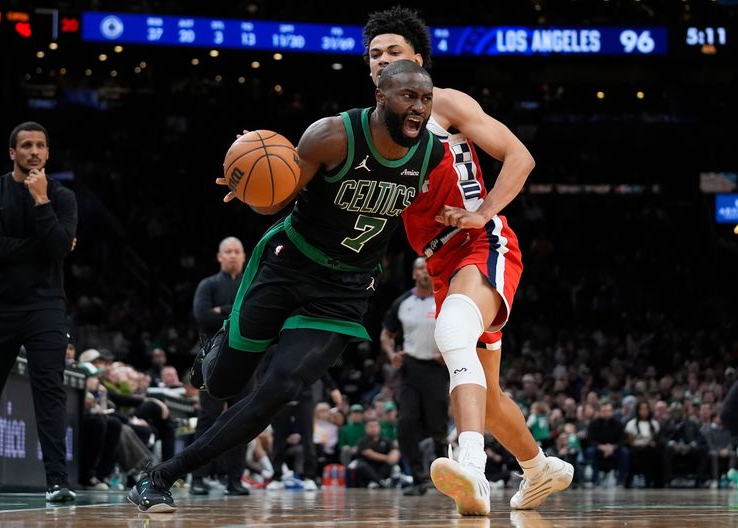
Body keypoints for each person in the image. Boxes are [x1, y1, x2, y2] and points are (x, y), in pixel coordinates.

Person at [127, 60, 449, 513]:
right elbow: (277, 198)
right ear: (380, 96)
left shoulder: (432, 154)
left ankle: (161, 476)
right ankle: (214, 351)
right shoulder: (331, 136)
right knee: (221, 386)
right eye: (408, 97)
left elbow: (432, 207)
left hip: (344, 290)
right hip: (287, 265)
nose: (419, 107)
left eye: (425, 99)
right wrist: (251, 186)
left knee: (281, 386)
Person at [362, 7, 573, 516]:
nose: (382, 60)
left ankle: (472, 468)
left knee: (453, 331)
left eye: (394, 51)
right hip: (437, 262)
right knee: (488, 394)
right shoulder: (366, 130)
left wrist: (484, 212)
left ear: (417, 60)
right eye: (374, 54)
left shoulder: (446, 104)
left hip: (482, 244)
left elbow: (520, 157)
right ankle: (539, 468)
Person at [0, 121, 78, 502]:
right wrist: (47, 245)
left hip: (46, 305)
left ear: (48, 153)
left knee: (50, 391)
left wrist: (42, 201)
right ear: (12, 153)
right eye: (26, 145)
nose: (34, 151)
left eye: (41, 146)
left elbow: (58, 250)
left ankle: (57, 482)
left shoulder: (61, 197)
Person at [188, 236, 251, 496]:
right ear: (219, 256)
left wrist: (222, 311)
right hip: (213, 358)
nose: (233, 255)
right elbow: (202, 316)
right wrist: (236, 312)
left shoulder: (252, 284)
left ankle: (235, 479)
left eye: (237, 251)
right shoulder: (208, 284)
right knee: (208, 420)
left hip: (247, 361)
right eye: (228, 251)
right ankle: (198, 478)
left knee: (243, 420)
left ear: (245, 256)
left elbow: (257, 315)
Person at [380, 256, 448, 496]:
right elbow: (386, 334)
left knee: (437, 427)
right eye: (420, 267)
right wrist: (391, 354)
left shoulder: (445, 299)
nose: (425, 271)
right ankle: (418, 479)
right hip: (410, 368)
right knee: (406, 423)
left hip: (438, 369)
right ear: (413, 274)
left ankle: (446, 475)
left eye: (429, 267)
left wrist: (448, 351)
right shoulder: (403, 302)